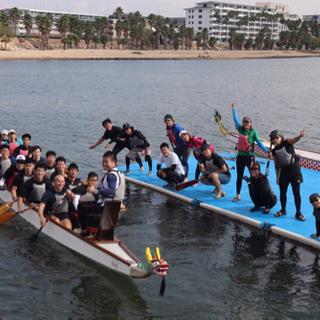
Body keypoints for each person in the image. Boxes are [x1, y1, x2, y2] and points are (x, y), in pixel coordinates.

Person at [77, 151, 125, 239]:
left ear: (113, 162)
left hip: (106, 206)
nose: (104, 164)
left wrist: (95, 192)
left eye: (106, 162)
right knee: (90, 204)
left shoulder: (111, 175)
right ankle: (98, 233)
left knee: (81, 206)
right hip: (114, 206)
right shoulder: (118, 172)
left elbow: (111, 191)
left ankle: (85, 232)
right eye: (103, 161)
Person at [232, 103, 268, 202]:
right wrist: (233, 109)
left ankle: (259, 195)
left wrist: (266, 151)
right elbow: (235, 120)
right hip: (240, 157)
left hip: (249, 157)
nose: (246, 124)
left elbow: (259, 143)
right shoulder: (240, 129)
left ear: (251, 124)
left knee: (254, 177)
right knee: (239, 177)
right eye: (245, 122)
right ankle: (238, 195)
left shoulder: (253, 132)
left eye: (248, 122)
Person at [270, 129, 305, 221]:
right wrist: (277, 177)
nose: (275, 140)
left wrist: (300, 136)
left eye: (277, 137)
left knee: (296, 193)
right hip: (284, 171)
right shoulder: (274, 151)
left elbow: (294, 140)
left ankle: (298, 213)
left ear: (281, 137)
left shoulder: (287, 143)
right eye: (273, 138)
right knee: (282, 192)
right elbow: (276, 165)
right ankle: (283, 210)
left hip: (294, 170)